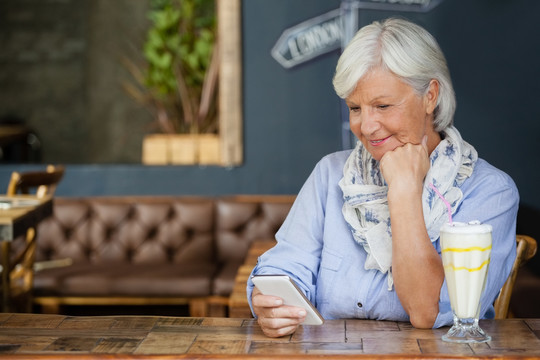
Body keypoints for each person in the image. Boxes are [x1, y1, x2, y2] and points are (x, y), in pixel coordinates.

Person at [246, 17, 519, 338]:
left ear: (430, 95)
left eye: (383, 105)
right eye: (355, 108)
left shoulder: (490, 192)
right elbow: (283, 268)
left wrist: (404, 192)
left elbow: (428, 311)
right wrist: (268, 304)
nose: (366, 126)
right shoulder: (330, 173)